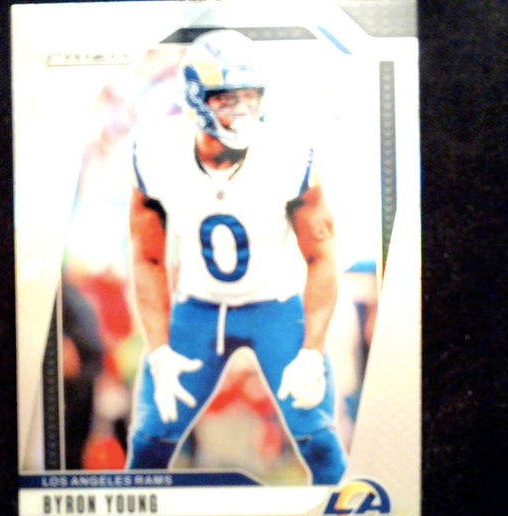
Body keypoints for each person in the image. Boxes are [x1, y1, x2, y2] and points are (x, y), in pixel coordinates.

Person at [126, 29, 346, 485]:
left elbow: (322, 256)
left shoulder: (288, 154)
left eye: (250, 97)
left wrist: (311, 352)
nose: (242, 110)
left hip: (276, 309)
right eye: (228, 99)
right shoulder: (156, 152)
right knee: (150, 438)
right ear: (196, 99)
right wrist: (159, 350)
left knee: (318, 436)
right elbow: (148, 259)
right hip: (198, 310)